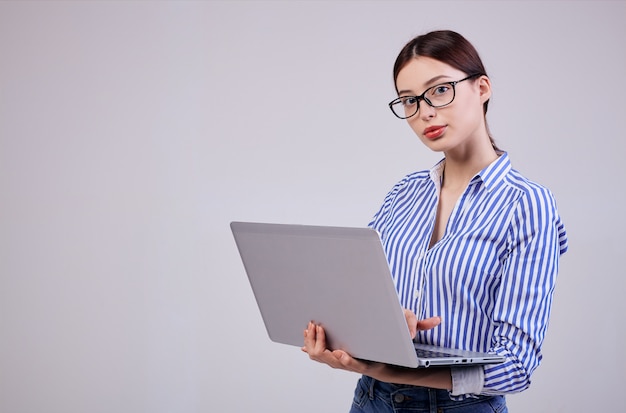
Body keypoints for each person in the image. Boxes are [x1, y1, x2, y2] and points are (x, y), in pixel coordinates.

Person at [302, 30, 568, 412]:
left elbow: (517, 366)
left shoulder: (527, 205)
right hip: (372, 400)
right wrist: (378, 326)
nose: (425, 111)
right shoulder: (404, 192)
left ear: (482, 88)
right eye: (409, 100)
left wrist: (398, 371)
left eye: (439, 90)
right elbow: (360, 293)